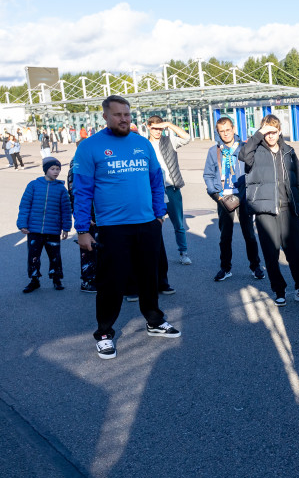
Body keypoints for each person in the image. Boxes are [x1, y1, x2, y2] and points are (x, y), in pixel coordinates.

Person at [72, 95, 181, 361]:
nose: (124, 119)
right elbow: (82, 191)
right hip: (112, 227)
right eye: (118, 115)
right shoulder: (90, 147)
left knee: (149, 277)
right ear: (105, 117)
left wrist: (159, 214)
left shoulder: (141, 144)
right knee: (112, 281)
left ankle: (154, 320)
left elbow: (156, 180)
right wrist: (82, 230)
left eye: (127, 114)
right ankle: (104, 333)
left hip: (147, 224)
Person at [241, 115, 299, 306]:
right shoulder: (255, 151)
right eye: (266, 132)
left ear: (279, 131)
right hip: (265, 211)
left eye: (273, 132)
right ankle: (279, 291)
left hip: (289, 209)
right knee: (271, 254)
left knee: (297, 252)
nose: (270, 136)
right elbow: (243, 155)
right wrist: (259, 134)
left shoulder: (288, 151)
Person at [203, 116, 263, 282]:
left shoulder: (244, 148)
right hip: (224, 197)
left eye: (228, 130)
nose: (225, 133)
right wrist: (216, 194)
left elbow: (255, 170)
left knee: (249, 234)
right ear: (218, 132)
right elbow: (208, 174)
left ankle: (255, 266)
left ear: (233, 129)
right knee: (225, 236)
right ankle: (225, 268)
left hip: (243, 196)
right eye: (221, 131)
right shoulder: (214, 151)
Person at [17, 157, 72, 293]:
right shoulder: (33, 185)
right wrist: (22, 224)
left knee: (55, 257)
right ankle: (34, 280)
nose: (56, 172)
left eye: (58, 169)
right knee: (33, 257)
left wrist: (66, 228)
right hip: (34, 230)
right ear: (45, 170)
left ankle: (56, 278)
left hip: (52, 230)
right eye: (53, 169)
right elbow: (25, 206)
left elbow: (66, 210)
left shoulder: (61, 189)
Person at [147, 115, 192, 265]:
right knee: (154, 225)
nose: (157, 131)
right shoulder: (144, 145)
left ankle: (183, 253)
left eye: (160, 128)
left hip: (171, 188)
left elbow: (186, 138)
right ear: (148, 127)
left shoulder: (169, 140)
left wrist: (168, 125)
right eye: (155, 128)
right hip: (153, 191)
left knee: (178, 224)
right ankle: (155, 255)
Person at [67, 144, 98, 293]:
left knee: (96, 248)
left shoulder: (86, 162)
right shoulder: (77, 165)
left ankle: (95, 279)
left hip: (95, 213)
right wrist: (84, 217)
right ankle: (88, 281)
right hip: (88, 215)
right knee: (89, 249)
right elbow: (75, 194)